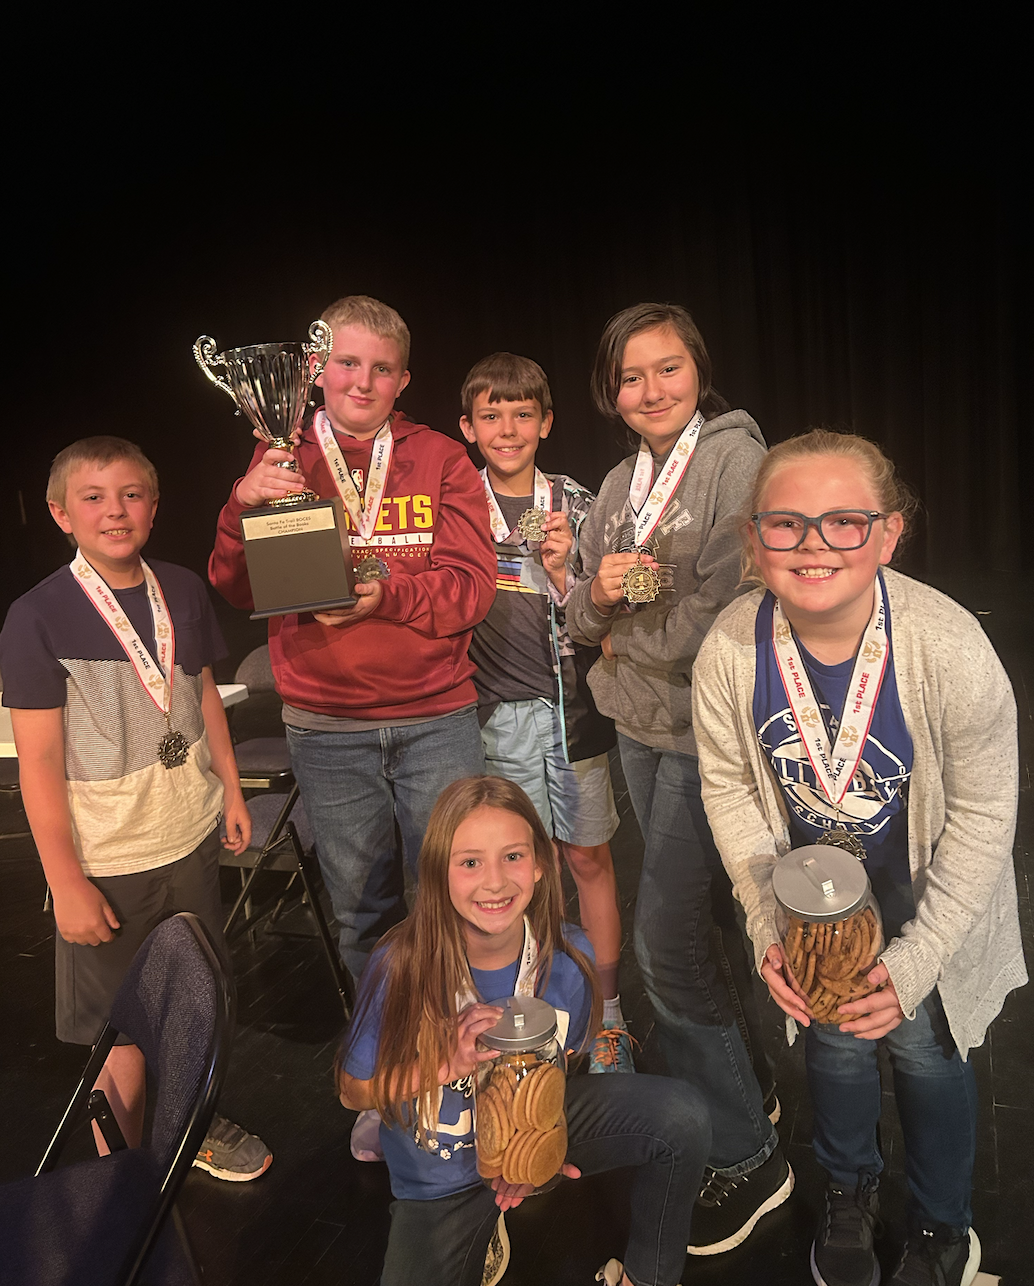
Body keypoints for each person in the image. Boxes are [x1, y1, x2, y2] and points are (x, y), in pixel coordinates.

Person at [692, 429, 1027, 1286]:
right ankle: (848, 1189)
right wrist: (771, 921)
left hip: (928, 911)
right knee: (833, 1046)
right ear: (751, 538)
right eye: (786, 524)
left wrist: (916, 962)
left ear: (889, 533)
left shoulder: (947, 648)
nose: (812, 546)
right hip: (812, 917)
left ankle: (943, 1224)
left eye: (844, 521)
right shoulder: (732, 648)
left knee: (924, 1051)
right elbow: (729, 789)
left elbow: (989, 816)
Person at [566, 302, 789, 1255]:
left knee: (663, 946)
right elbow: (578, 614)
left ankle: (749, 1158)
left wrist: (632, 639)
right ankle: (759, 1095)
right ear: (610, 393)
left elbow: (739, 603)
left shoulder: (743, 461)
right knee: (695, 930)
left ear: (698, 369)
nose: (650, 390)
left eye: (667, 369)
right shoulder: (619, 480)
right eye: (630, 377)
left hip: (711, 738)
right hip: (640, 730)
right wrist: (601, 600)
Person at [0, 436, 272, 1181]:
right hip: (107, 856)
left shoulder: (181, 588)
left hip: (186, 834)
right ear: (60, 513)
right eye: (93, 497)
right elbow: (41, 763)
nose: (114, 511)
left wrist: (230, 786)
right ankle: (120, 1178)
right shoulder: (37, 616)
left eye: (130, 494)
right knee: (115, 1030)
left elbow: (204, 693)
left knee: (193, 997)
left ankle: (194, 1126)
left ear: (153, 505)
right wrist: (66, 881)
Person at [209, 294, 496, 989]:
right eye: (346, 362)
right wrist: (241, 503)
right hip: (327, 724)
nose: (362, 381)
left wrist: (384, 593)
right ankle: (391, 1064)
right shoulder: (279, 456)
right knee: (363, 914)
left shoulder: (440, 458)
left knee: (456, 903)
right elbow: (237, 587)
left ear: (403, 381)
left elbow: (471, 589)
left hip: (436, 719)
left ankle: (461, 1058)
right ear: (316, 369)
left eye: (382, 368)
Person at [338, 775, 711, 1286]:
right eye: (469, 862)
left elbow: (567, 1065)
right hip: (440, 1178)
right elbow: (352, 1090)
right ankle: (479, 1227)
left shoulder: (568, 962)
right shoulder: (399, 966)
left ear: (541, 864)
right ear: (437, 873)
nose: (494, 882)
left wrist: (540, 1145)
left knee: (682, 1119)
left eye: (512, 857)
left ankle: (645, 1278)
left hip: (534, 1133)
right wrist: (442, 1063)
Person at [458, 351, 631, 1076]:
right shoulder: (454, 502)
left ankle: (610, 1012)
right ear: (466, 427)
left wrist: (569, 574)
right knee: (518, 872)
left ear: (546, 423)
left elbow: (616, 602)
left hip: (572, 711)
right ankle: (530, 1007)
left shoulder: (580, 503)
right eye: (491, 415)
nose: (508, 428)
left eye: (522, 413)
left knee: (586, 858)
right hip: (485, 716)